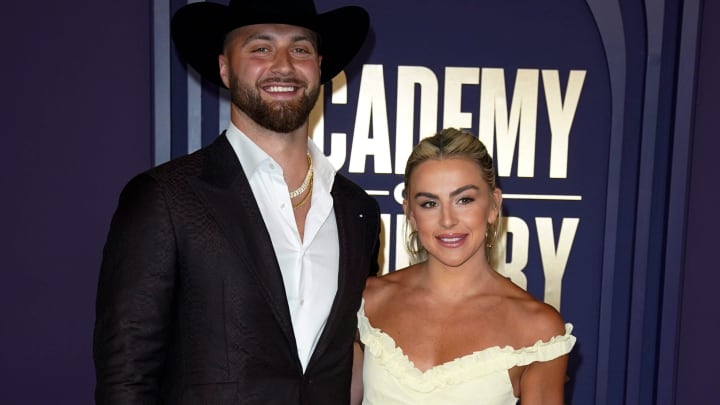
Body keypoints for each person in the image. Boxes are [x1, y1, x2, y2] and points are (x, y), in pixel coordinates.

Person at [92, 0, 381, 403]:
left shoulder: (357, 210)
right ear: (226, 68)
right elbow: (126, 378)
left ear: (319, 66)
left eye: (300, 49)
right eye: (260, 48)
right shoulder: (165, 198)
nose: (283, 65)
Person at [355, 128, 576, 405]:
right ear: (410, 213)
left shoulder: (537, 330)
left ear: (494, 205)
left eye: (464, 200)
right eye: (429, 203)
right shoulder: (367, 300)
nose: (447, 220)